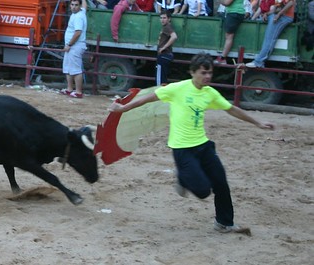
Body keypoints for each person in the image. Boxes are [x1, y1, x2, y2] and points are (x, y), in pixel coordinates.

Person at [108, 53, 275, 234]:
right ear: (193, 72)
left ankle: (224, 223)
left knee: (221, 183)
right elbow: (148, 98)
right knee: (203, 191)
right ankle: (182, 177)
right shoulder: (178, 88)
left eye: (210, 73)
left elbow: (231, 109)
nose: (208, 77)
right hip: (182, 149)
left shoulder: (210, 93)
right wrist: (123, 108)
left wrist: (257, 122)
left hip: (203, 145)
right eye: (204, 73)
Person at [245, 0, 296, 68]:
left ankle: (258, 62)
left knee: (269, 37)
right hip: (280, 15)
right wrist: (267, 14)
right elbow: (277, 8)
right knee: (268, 35)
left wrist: (278, 15)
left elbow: (291, 3)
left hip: (285, 17)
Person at [60, 0, 88, 98]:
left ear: (79, 6)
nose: (74, 7)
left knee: (76, 70)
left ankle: (78, 92)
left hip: (75, 46)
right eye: (72, 5)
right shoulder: (81, 12)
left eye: (76, 5)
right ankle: (69, 89)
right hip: (72, 46)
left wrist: (69, 45)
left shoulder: (78, 17)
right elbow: (85, 6)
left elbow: (78, 33)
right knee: (68, 68)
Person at [214, 0, 246, 65]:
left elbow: (227, 3)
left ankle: (223, 58)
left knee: (229, 36)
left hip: (234, 13)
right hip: (235, 12)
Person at [156, 10, 178, 86]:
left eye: (164, 18)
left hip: (163, 55)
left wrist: (163, 47)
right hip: (166, 55)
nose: (162, 20)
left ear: (169, 19)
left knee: (160, 80)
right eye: (161, 18)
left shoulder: (167, 27)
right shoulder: (167, 27)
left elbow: (174, 36)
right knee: (164, 79)